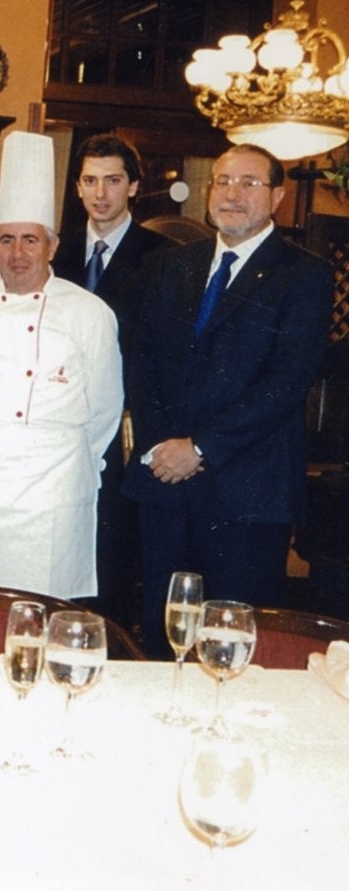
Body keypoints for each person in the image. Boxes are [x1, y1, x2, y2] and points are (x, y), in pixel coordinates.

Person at [125, 143, 334, 655]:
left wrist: (199, 448)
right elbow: (142, 360)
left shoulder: (305, 275)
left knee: (229, 647)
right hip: (165, 486)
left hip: (246, 494)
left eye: (248, 183)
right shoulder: (173, 265)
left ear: (278, 196)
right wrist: (158, 445)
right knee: (162, 637)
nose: (232, 194)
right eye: (222, 181)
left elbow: (284, 384)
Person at [0, 131, 123, 599]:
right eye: (6, 240)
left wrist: (64, 459)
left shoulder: (89, 313)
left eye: (29, 240)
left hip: (52, 487)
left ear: (52, 245)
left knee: (45, 608)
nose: (17, 254)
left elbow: (105, 409)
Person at [51, 133, 171, 628]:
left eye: (113, 181)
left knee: (113, 552)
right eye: (90, 180)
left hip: (123, 428)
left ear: (134, 186)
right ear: (78, 187)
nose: (101, 194)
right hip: (59, 424)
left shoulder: (162, 256)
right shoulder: (51, 250)